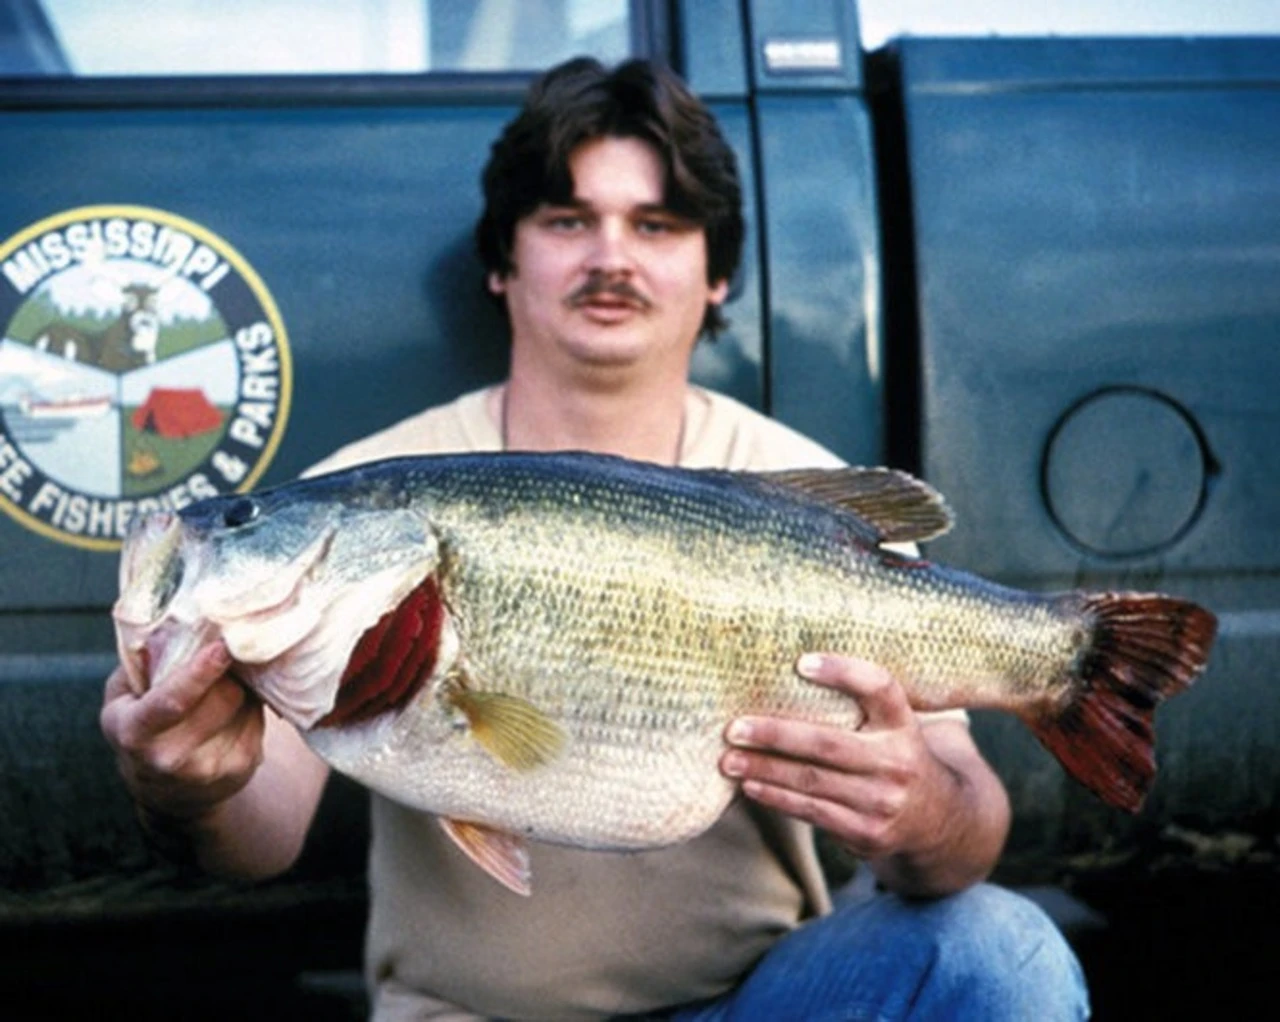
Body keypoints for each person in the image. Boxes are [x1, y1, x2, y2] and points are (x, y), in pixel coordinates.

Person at [101, 57, 1089, 1020]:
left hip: (758, 1000)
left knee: (999, 951)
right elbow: (256, 834)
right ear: (502, 261)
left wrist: (921, 809)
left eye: (654, 224)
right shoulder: (365, 494)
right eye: (565, 219)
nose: (608, 256)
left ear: (715, 273)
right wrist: (186, 786)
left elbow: (967, 827)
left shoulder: (801, 507)